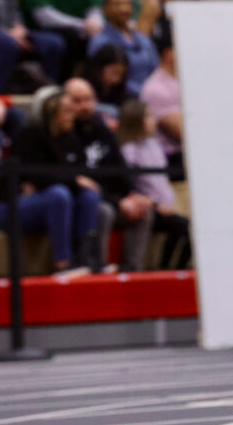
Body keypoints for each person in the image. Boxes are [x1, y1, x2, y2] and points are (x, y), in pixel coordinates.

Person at [65, 78, 154, 272]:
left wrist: (132, 194)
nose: (84, 106)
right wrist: (117, 201)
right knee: (104, 211)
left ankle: (132, 269)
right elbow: (79, 182)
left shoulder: (103, 130)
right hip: (86, 201)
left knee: (144, 211)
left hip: (112, 198)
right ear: (65, 102)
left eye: (88, 99)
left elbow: (120, 167)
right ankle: (99, 268)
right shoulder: (65, 134)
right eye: (77, 100)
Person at [11, 92, 103, 271]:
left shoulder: (72, 138)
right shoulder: (30, 135)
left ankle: (86, 260)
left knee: (89, 196)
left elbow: (82, 174)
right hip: (17, 203)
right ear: (52, 114)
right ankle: (63, 263)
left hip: (51, 198)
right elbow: (34, 175)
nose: (73, 115)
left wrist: (69, 181)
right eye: (67, 111)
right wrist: (73, 180)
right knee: (59, 194)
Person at [117, 99, 191, 270]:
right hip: (150, 206)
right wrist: (155, 203)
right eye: (148, 116)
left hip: (165, 205)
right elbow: (131, 185)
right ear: (136, 121)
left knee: (186, 228)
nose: (153, 120)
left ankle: (174, 266)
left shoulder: (153, 144)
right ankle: (167, 267)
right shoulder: (129, 151)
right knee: (184, 228)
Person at [0, 0, 65, 91]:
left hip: (11, 29)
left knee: (54, 43)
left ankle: (48, 95)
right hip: (2, 33)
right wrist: (6, 33)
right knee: (7, 44)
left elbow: (11, 2)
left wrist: (19, 26)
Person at [88, 0, 159, 95]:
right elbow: (107, 80)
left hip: (153, 96)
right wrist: (144, 93)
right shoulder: (100, 42)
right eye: (118, 4)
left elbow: (156, 71)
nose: (124, 9)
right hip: (122, 100)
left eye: (127, 3)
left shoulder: (143, 39)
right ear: (105, 8)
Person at [140, 36, 183, 174]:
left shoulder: (185, 79)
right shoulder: (155, 88)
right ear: (168, 53)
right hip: (173, 159)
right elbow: (181, 133)